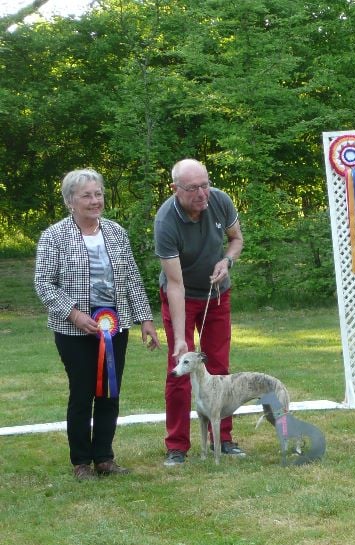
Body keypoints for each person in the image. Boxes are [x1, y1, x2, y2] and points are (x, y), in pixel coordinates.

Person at [34, 168, 160, 480]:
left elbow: (131, 278)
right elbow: (44, 284)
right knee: (82, 393)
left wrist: (145, 319)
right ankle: (81, 462)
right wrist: (74, 313)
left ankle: (105, 458)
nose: (95, 200)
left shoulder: (117, 233)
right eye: (87, 195)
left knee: (110, 392)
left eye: (98, 194)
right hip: (73, 330)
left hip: (115, 327)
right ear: (70, 201)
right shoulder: (54, 236)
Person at [155, 158, 244, 466]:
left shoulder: (220, 201)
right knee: (181, 370)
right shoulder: (166, 221)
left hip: (217, 294)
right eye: (193, 188)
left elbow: (236, 240)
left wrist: (227, 261)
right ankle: (177, 446)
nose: (202, 193)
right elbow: (175, 285)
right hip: (181, 295)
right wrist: (180, 339)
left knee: (219, 367)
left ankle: (225, 439)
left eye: (205, 184)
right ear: (175, 189)